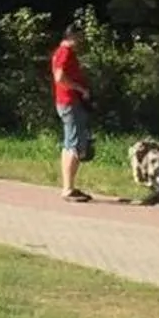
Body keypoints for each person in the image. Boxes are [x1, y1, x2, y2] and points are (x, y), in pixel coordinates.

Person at [52, 22, 94, 201]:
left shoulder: (62, 52)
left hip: (67, 102)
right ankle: (68, 189)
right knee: (75, 145)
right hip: (70, 102)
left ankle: (68, 186)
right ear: (73, 36)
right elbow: (60, 77)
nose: (82, 40)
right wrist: (80, 89)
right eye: (80, 37)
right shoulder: (65, 52)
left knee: (69, 143)